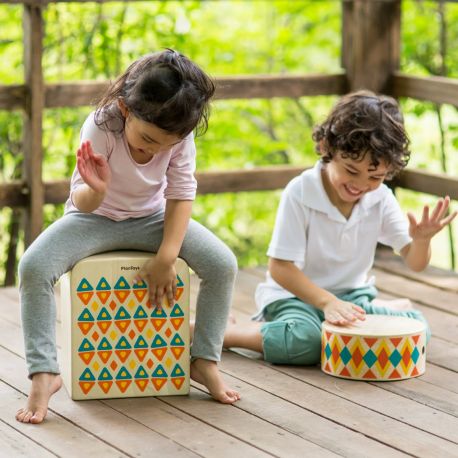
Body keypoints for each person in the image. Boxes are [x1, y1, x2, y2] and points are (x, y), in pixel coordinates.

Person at [16, 49, 240, 424]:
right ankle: (44, 373)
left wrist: (166, 257)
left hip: (153, 220)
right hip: (93, 218)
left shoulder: (178, 135)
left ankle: (203, 360)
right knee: (34, 266)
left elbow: (181, 193)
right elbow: (81, 202)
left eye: (166, 144)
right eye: (148, 139)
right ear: (125, 109)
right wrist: (99, 190)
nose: (155, 150)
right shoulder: (101, 125)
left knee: (222, 264)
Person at [224, 90, 456, 365]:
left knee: (416, 331)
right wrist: (326, 303)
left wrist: (422, 241)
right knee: (306, 342)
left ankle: (375, 308)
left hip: (351, 297)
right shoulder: (301, 192)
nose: (360, 184)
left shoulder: (380, 198)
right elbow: (280, 268)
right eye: (350, 170)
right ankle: (231, 333)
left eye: (375, 176)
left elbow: (415, 263)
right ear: (326, 148)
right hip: (295, 297)